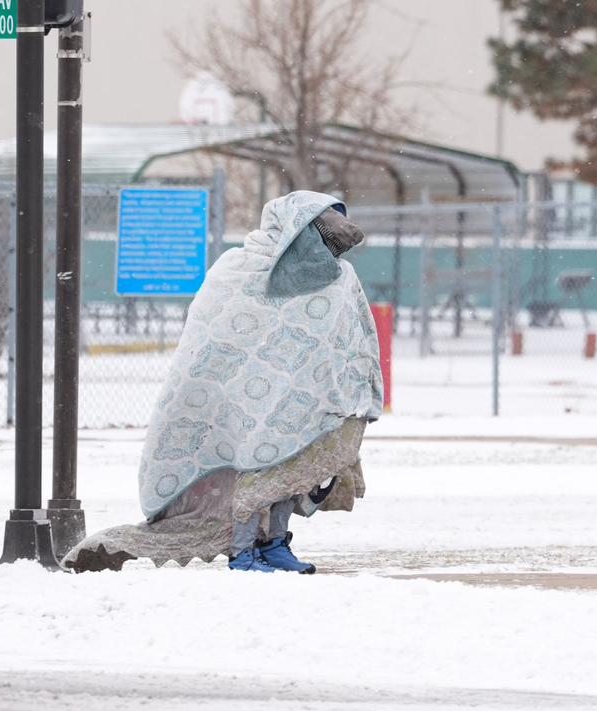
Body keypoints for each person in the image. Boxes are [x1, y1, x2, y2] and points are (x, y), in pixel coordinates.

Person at [64, 191, 383, 574]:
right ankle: (242, 549)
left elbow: (355, 333)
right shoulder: (238, 268)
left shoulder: (338, 276)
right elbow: (214, 337)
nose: (328, 246)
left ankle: (274, 543)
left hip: (308, 396)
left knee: (290, 469)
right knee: (254, 466)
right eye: (320, 232)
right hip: (242, 400)